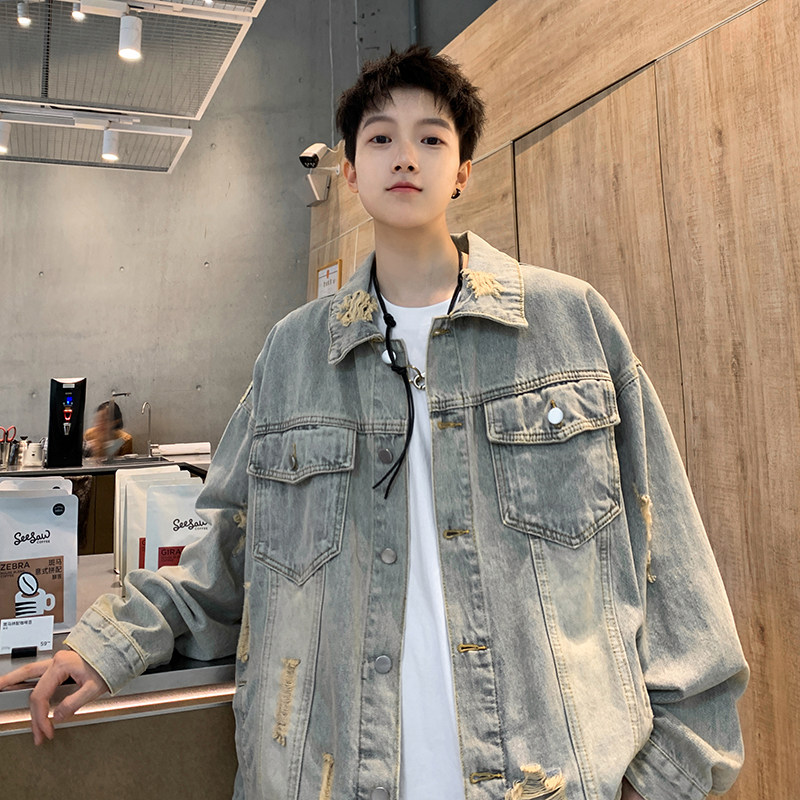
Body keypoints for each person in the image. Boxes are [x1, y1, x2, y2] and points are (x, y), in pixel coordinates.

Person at [0, 47, 747, 800]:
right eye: (381, 137)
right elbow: (231, 557)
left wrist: (667, 777)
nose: (406, 156)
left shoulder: (570, 323)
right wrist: (108, 643)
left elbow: (670, 561)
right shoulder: (295, 353)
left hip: (550, 772)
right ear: (351, 172)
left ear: (463, 171)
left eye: (432, 137)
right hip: (335, 773)